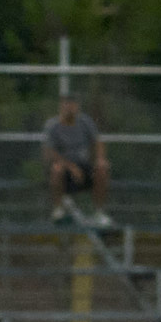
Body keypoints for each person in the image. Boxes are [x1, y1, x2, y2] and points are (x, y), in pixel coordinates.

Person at [43, 94, 110, 227]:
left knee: (102, 169)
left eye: (73, 105)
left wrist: (100, 159)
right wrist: (71, 167)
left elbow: (97, 142)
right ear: (61, 107)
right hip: (64, 169)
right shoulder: (53, 126)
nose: (70, 109)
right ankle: (58, 210)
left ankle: (98, 212)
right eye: (67, 105)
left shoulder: (85, 122)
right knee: (56, 169)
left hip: (84, 166)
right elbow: (50, 152)